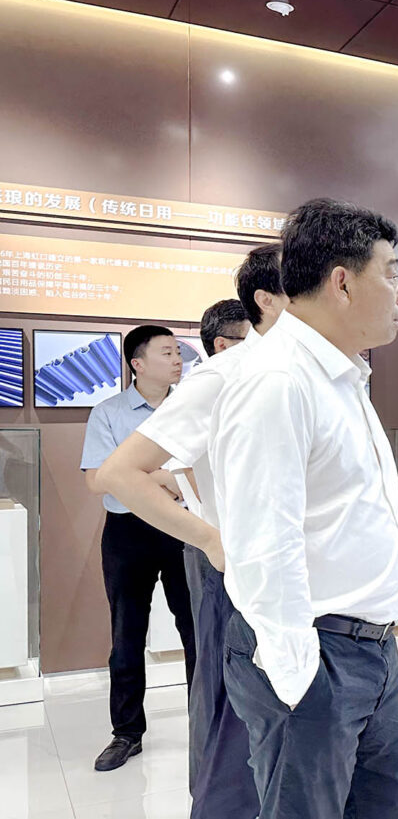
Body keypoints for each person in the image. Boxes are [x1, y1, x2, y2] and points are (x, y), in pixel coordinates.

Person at [211, 199, 398, 818]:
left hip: (369, 649)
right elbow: (261, 543)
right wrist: (300, 679)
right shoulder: (279, 380)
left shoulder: (341, 375)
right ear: (343, 283)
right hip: (317, 658)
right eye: (391, 273)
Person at [97, 245, 287, 818]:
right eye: (165, 352)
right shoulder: (217, 384)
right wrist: (204, 532)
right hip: (187, 548)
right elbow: (114, 475)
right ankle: (143, 743)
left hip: (232, 552)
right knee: (200, 678)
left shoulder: (278, 379)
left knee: (224, 671)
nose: (176, 360)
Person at [80, 324, 195, 772]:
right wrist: (164, 477)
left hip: (184, 527)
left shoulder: (190, 408)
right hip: (128, 532)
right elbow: (97, 480)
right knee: (126, 634)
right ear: (137, 364)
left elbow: (202, 471)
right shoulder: (109, 413)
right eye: (167, 352)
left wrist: (133, 476)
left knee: (196, 631)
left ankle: (206, 726)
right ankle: (127, 733)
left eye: (178, 352)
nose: (178, 360)